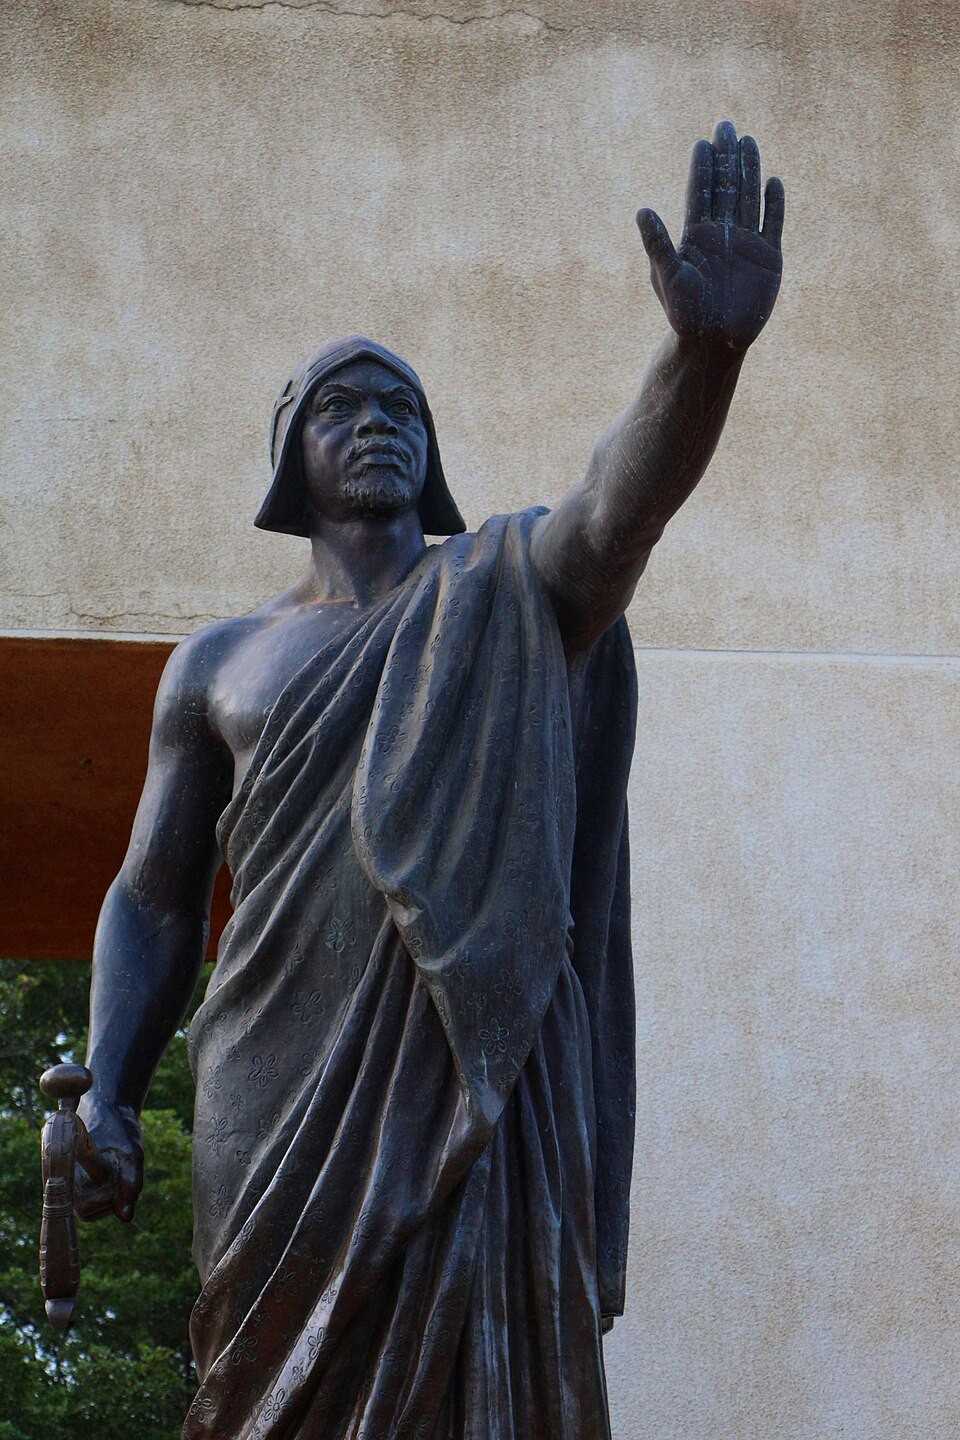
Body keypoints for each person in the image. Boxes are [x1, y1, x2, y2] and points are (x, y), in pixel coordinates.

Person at [76, 121, 784, 1438]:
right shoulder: (220, 663)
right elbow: (154, 899)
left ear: (434, 455)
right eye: (342, 406)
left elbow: (615, 511)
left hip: (466, 1063)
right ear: (294, 456)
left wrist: (701, 363)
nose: (376, 426)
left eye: (402, 408)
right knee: (257, 1395)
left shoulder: (507, 588)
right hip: (271, 1089)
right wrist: (112, 1082)